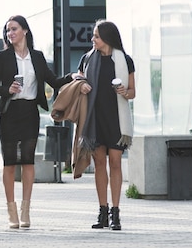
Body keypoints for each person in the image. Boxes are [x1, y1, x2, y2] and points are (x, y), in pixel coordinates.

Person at [0, 15, 73, 229]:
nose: (10, 33)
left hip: (29, 113)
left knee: (28, 161)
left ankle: (26, 210)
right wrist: (7, 89)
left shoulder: (37, 56)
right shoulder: (2, 57)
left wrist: (75, 76)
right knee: (9, 163)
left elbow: (54, 81)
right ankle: (11, 212)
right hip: (9, 112)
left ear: (25, 30)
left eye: (14, 29)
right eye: (8, 30)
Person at [77, 20, 135, 231]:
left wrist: (124, 92)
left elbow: (133, 93)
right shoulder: (87, 59)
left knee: (116, 163)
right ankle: (102, 211)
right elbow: (78, 80)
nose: (93, 40)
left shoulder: (124, 60)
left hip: (116, 120)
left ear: (108, 38)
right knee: (99, 163)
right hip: (95, 119)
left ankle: (116, 213)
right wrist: (81, 83)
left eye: (96, 36)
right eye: (93, 36)